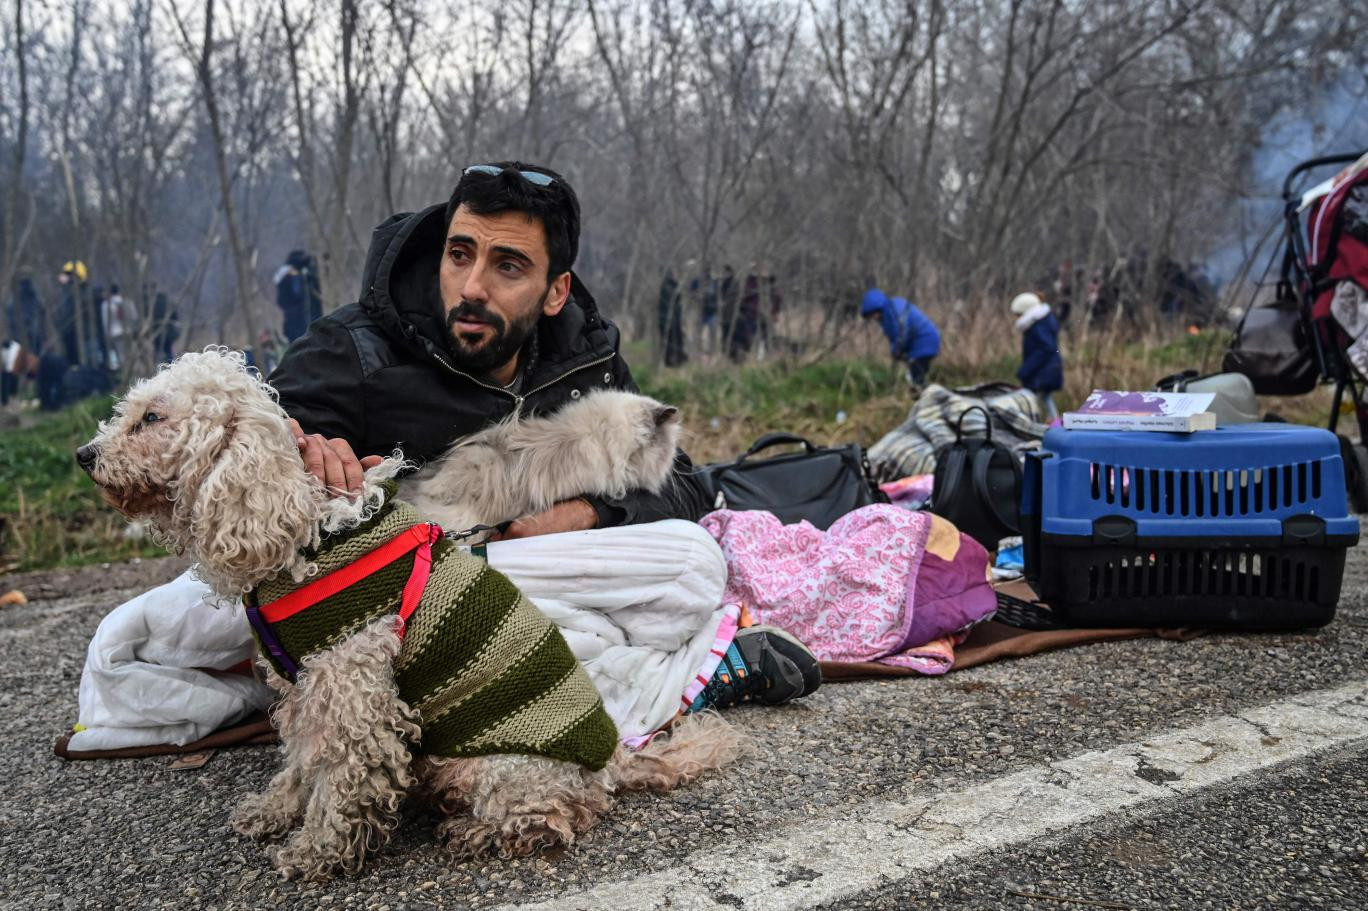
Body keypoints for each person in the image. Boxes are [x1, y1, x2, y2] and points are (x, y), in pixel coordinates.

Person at [269, 161, 819, 708]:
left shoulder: (585, 358)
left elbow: (684, 485)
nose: (472, 287)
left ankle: (546, 678)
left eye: (508, 267)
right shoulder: (355, 347)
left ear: (556, 292)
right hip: (377, 581)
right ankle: (676, 676)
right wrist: (302, 447)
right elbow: (252, 432)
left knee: (695, 561)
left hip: (515, 572)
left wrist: (587, 515)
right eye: (459, 255)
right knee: (190, 626)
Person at [860, 287, 941, 388]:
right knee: (916, 378)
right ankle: (923, 396)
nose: (874, 317)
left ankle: (927, 398)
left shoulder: (893, 310)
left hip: (924, 342)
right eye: (871, 316)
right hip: (920, 344)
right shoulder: (887, 314)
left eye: (873, 314)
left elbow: (901, 332)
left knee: (917, 378)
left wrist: (897, 350)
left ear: (878, 308)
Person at [1010, 291, 1063, 419]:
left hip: (1042, 372)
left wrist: (1026, 370)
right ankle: (1054, 423)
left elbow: (1046, 348)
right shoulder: (1043, 322)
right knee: (1045, 398)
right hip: (1047, 370)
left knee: (1030, 399)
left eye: (1018, 315)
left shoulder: (1038, 326)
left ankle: (1031, 424)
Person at [274, 249, 313, 342]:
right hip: (298, 316)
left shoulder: (282, 274)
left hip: (289, 316)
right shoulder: (293, 275)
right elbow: (297, 294)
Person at [101, 283, 136, 371]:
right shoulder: (127, 301)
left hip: (114, 333)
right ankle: (132, 370)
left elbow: (105, 322)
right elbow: (134, 316)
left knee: (120, 355)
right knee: (130, 353)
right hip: (128, 331)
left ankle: (125, 372)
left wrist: (107, 335)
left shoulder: (106, 304)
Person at [657, 269, 688, 367]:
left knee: (674, 340)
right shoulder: (668, 287)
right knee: (672, 341)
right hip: (669, 320)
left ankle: (677, 359)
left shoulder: (667, 286)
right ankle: (671, 361)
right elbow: (675, 298)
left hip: (670, 319)